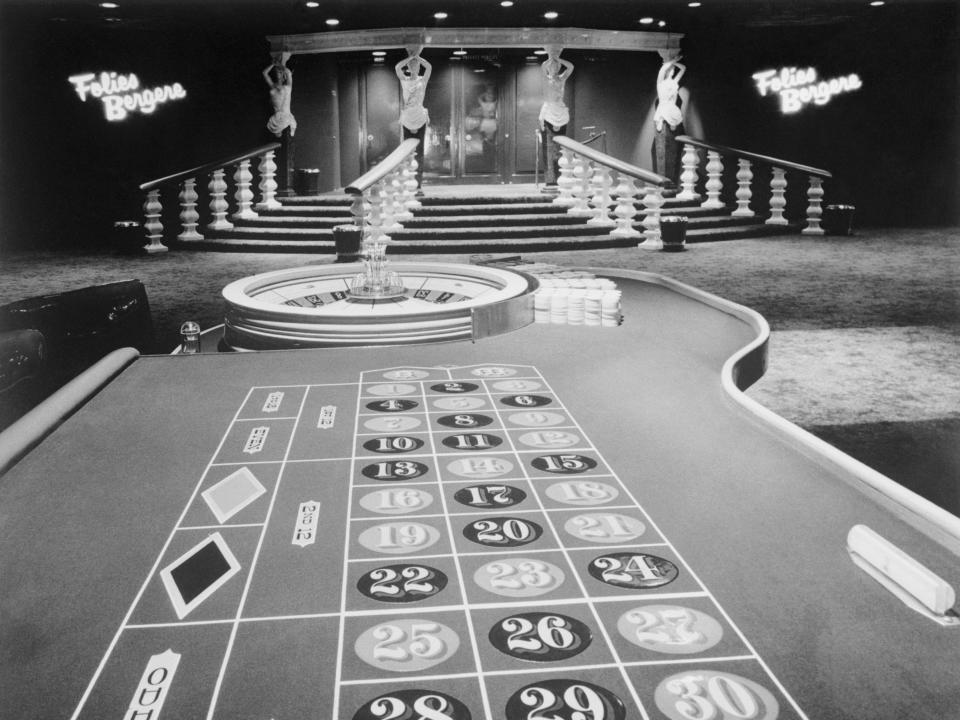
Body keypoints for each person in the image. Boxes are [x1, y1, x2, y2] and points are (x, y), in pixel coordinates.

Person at [396, 46, 432, 191]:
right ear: (409, 66)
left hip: (419, 116)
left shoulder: (422, 80)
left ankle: (418, 184)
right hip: (407, 117)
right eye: (412, 64)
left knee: (420, 152)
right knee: (406, 151)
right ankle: (406, 182)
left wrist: (418, 57)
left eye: (416, 64)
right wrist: (411, 57)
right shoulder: (404, 79)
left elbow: (428, 66)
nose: (414, 66)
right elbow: (398, 67)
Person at [539, 46, 574, 187]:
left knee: (561, 147)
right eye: (552, 66)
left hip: (560, 110)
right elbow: (543, 66)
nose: (554, 68)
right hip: (549, 110)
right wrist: (550, 57)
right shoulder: (545, 78)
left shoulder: (562, 78)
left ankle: (561, 177)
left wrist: (557, 58)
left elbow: (571, 66)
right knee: (549, 147)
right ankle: (550, 179)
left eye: (556, 66)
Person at [652, 54, 687, 185]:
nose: (672, 70)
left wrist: (675, 63)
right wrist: (671, 61)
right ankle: (664, 181)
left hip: (673, 110)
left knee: (673, 143)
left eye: (673, 69)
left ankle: (670, 181)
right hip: (664, 109)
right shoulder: (661, 83)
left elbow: (683, 69)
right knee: (663, 143)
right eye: (670, 69)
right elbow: (661, 71)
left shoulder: (674, 82)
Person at [263, 59, 297, 137]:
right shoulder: (272, 85)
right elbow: (264, 73)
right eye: (277, 72)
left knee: (277, 133)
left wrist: (279, 65)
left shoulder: (288, 86)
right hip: (277, 116)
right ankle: (279, 132)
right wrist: (273, 64)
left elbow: (288, 72)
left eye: (280, 72)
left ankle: (280, 131)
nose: (278, 74)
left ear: (283, 76)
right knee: (277, 133)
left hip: (284, 116)